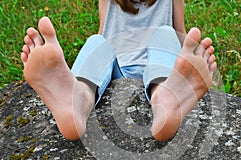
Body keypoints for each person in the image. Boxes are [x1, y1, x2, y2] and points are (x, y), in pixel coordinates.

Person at [20, 0, 217, 142]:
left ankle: (165, 99)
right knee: (97, 42)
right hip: (118, 71)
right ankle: (77, 98)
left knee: (165, 33)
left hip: (160, 69)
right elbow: (103, 33)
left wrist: (191, 67)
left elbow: (179, 33)